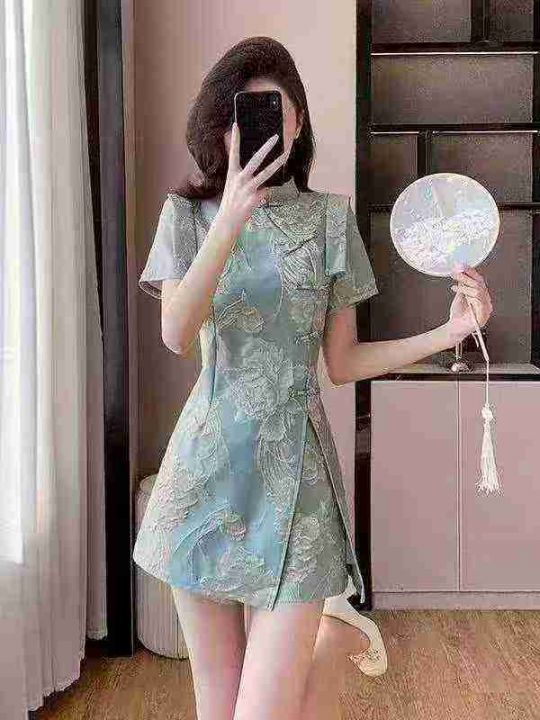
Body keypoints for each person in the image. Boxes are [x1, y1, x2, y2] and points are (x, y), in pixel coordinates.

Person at [133, 36, 493, 720]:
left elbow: (342, 363)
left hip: (296, 487)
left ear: (297, 123)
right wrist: (231, 215)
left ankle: (337, 633)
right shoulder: (186, 216)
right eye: (247, 111)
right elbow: (177, 335)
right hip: (204, 478)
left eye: (280, 109)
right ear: (224, 126)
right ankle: (339, 633)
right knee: (218, 708)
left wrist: (448, 334)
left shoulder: (331, 219)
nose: (266, 124)